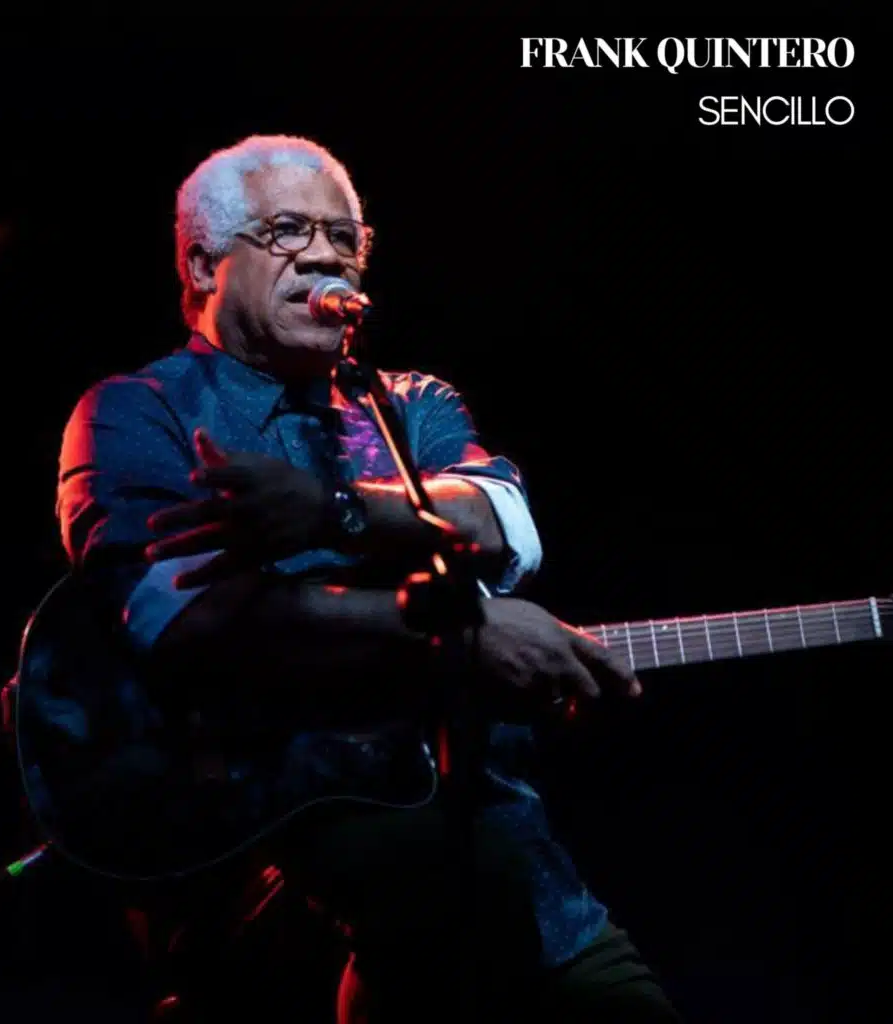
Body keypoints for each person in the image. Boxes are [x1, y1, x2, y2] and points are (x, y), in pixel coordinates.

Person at [56, 134, 682, 1022]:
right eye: (285, 230)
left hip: (516, 870)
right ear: (201, 265)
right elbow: (178, 620)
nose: (323, 255)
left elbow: (505, 524)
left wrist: (334, 509)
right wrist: (455, 636)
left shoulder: (409, 403)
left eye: (343, 237)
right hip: (278, 878)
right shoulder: (137, 412)